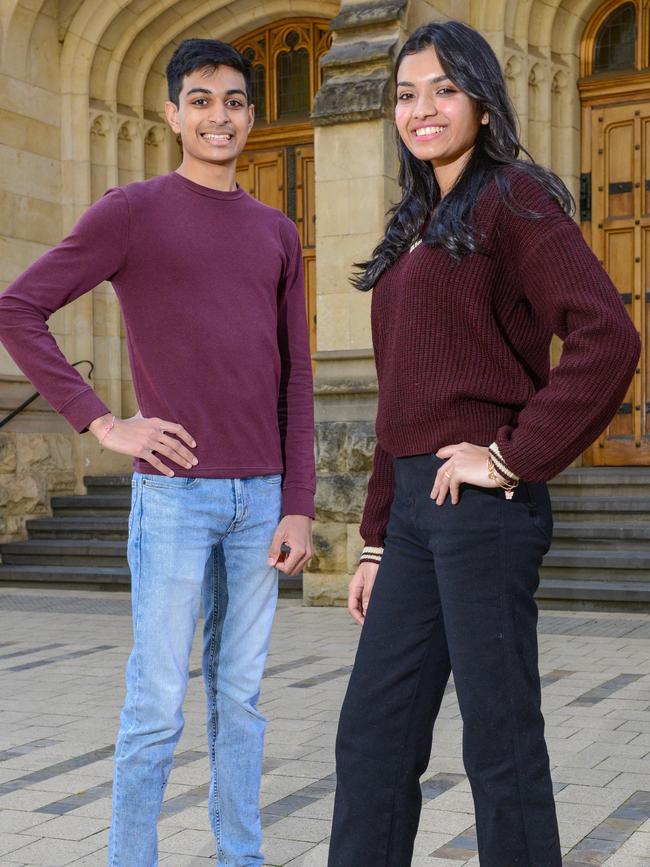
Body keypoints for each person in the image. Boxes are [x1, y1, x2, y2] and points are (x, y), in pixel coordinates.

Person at [327, 20, 640, 867]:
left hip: (485, 511)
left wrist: (510, 454)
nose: (421, 109)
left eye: (443, 90)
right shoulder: (417, 223)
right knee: (371, 741)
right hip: (415, 518)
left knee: (498, 746)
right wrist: (372, 541)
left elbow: (606, 337)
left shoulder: (515, 197)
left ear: (482, 100)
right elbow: (404, 402)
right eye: (405, 94)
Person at [0, 38, 315, 867]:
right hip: (174, 497)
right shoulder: (131, 211)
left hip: (261, 499)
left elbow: (300, 378)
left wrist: (300, 503)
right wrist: (104, 423)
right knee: (157, 705)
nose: (221, 116)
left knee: (242, 701)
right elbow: (17, 308)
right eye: (203, 100)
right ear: (172, 113)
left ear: (252, 116)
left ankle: (239, 856)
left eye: (237, 101)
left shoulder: (277, 232)